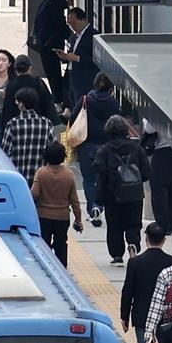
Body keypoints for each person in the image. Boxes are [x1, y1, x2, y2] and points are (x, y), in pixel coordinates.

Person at [93, 114, 150, 266]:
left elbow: (98, 168)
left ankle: (117, 254)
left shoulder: (104, 150)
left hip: (112, 194)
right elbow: (146, 171)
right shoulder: (136, 148)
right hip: (134, 193)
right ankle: (133, 245)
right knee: (134, 223)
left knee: (114, 224)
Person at [75, 72, 122, 228]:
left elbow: (73, 117)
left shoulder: (85, 100)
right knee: (103, 179)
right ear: (111, 88)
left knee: (88, 180)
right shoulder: (113, 103)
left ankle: (92, 209)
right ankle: (99, 205)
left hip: (86, 145)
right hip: (107, 146)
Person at [30, 141, 81, 267]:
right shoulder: (69, 175)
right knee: (61, 244)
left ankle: (46, 267)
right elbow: (74, 200)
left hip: (43, 216)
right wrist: (78, 219)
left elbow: (34, 194)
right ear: (63, 156)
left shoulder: (41, 173)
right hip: (62, 217)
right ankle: (62, 268)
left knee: (44, 244)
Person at [0, 87, 56, 184]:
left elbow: (5, 152)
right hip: (40, 178)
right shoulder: (46, 123)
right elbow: (53, 149)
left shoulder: (13, 124)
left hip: (18, 178)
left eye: (17, 102)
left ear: (21, 104)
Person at [31, 0, 71, 107]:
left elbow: (58, 24)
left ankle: (58, 101)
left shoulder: (54, 2)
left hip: (50, 45)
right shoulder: (49, 0)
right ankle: (58, 99)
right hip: (47, 44)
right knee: (51, 72)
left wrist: (48, 42)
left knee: (53, 73)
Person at [143, 118, 172, 235]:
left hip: (163, 149)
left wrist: (146, 119)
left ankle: (163, 225)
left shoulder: (161, 110)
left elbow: (149, 128)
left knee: (159, 187)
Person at [0, 54, 55, 135]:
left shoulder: (11, 86)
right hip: (39, 126)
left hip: (18, 128)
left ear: (15, 70)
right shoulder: (38, 83)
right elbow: (47, 104)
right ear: (29, 68)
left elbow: (8, 111)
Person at [57, 7, 99, 109]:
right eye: (70, 24)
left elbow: (96, 60)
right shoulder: (74, 36)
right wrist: (65, 56)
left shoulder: (93, 35)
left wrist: (77, 58)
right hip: (72, 75)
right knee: (73, 103)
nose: (72, 26)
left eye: (74, 23)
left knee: (82, 105)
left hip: (85, 78)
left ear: (83, 20)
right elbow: (72, 54)